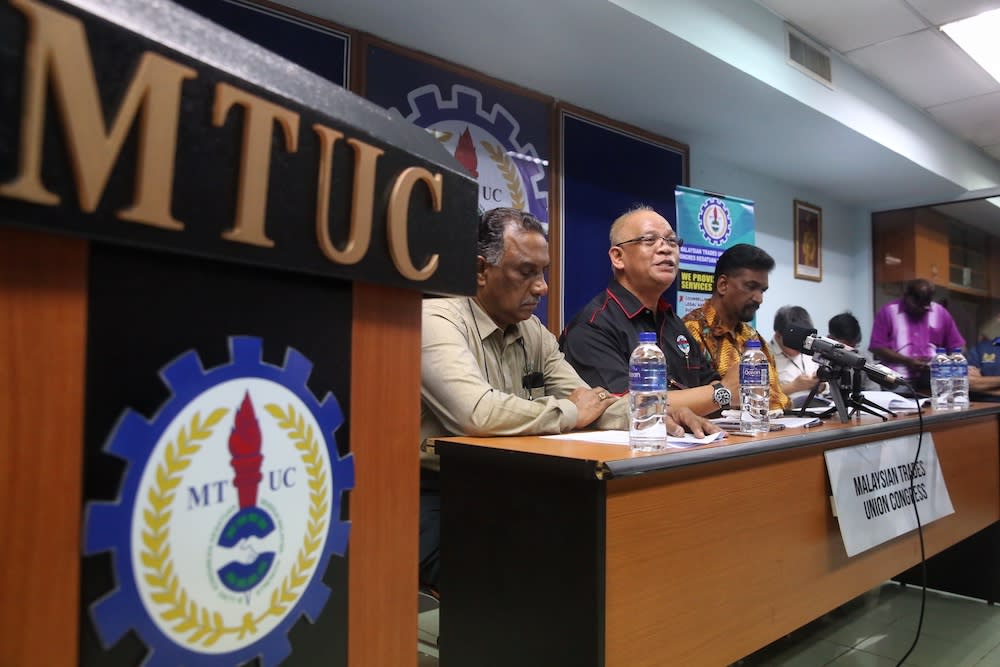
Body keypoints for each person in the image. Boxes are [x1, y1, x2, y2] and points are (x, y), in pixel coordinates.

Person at [419, 207, 718, 593]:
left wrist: (657, 413)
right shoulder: (436, 319)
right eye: (526, 272)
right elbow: (477, 413)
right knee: (505, 574)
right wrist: (572, 411)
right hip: (433, 491)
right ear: (480, 270)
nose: (542, 287)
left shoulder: (533, 331)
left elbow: (599, 402)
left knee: (597, 549)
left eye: (543, 272)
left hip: (507, 483)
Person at [560, 206, 738, 416]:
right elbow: (630, 406)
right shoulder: (592, 326)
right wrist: (722, 393)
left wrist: (729, 387)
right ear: (618, 257)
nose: (666, 248)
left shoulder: (672, 322)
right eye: (649, 240)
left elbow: (708, 382)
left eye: (672, 241)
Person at [681, 243, 790, 410]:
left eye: (763, 290)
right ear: (723, 285)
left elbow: (778, 401)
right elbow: (689, 406)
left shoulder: (754, 339)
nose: (759, 299)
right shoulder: (690, 332)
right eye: (751, 287)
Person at [869, 278, 964, 390]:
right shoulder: (889, 312)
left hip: (933, 378)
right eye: (917, 305)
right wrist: (907, 361)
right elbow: (877, 347)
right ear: (907, 296)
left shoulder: (940, 312)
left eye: (925, 306)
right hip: (898, 379)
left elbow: (957, 345)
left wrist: (944, 363)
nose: (921, 309)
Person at [770, 305, 822, 404]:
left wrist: (821, 385)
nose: (800, 348)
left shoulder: (810, 348)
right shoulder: (762, 356)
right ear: (778, 335)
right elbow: (758, 396)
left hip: (818, 410)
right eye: (794, 343)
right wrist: (793, 387)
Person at [828, 311, 878, 391]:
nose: (850, 352)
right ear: (830, 338)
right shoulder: (820, 357)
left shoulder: (864, 358)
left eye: (853, 348)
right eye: (846, 348)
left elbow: (874, 390)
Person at [968, 315, 1000, 400]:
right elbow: (968, 383)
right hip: (982, 410)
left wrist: (982, 383)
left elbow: (975, 385)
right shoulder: (981, 348)